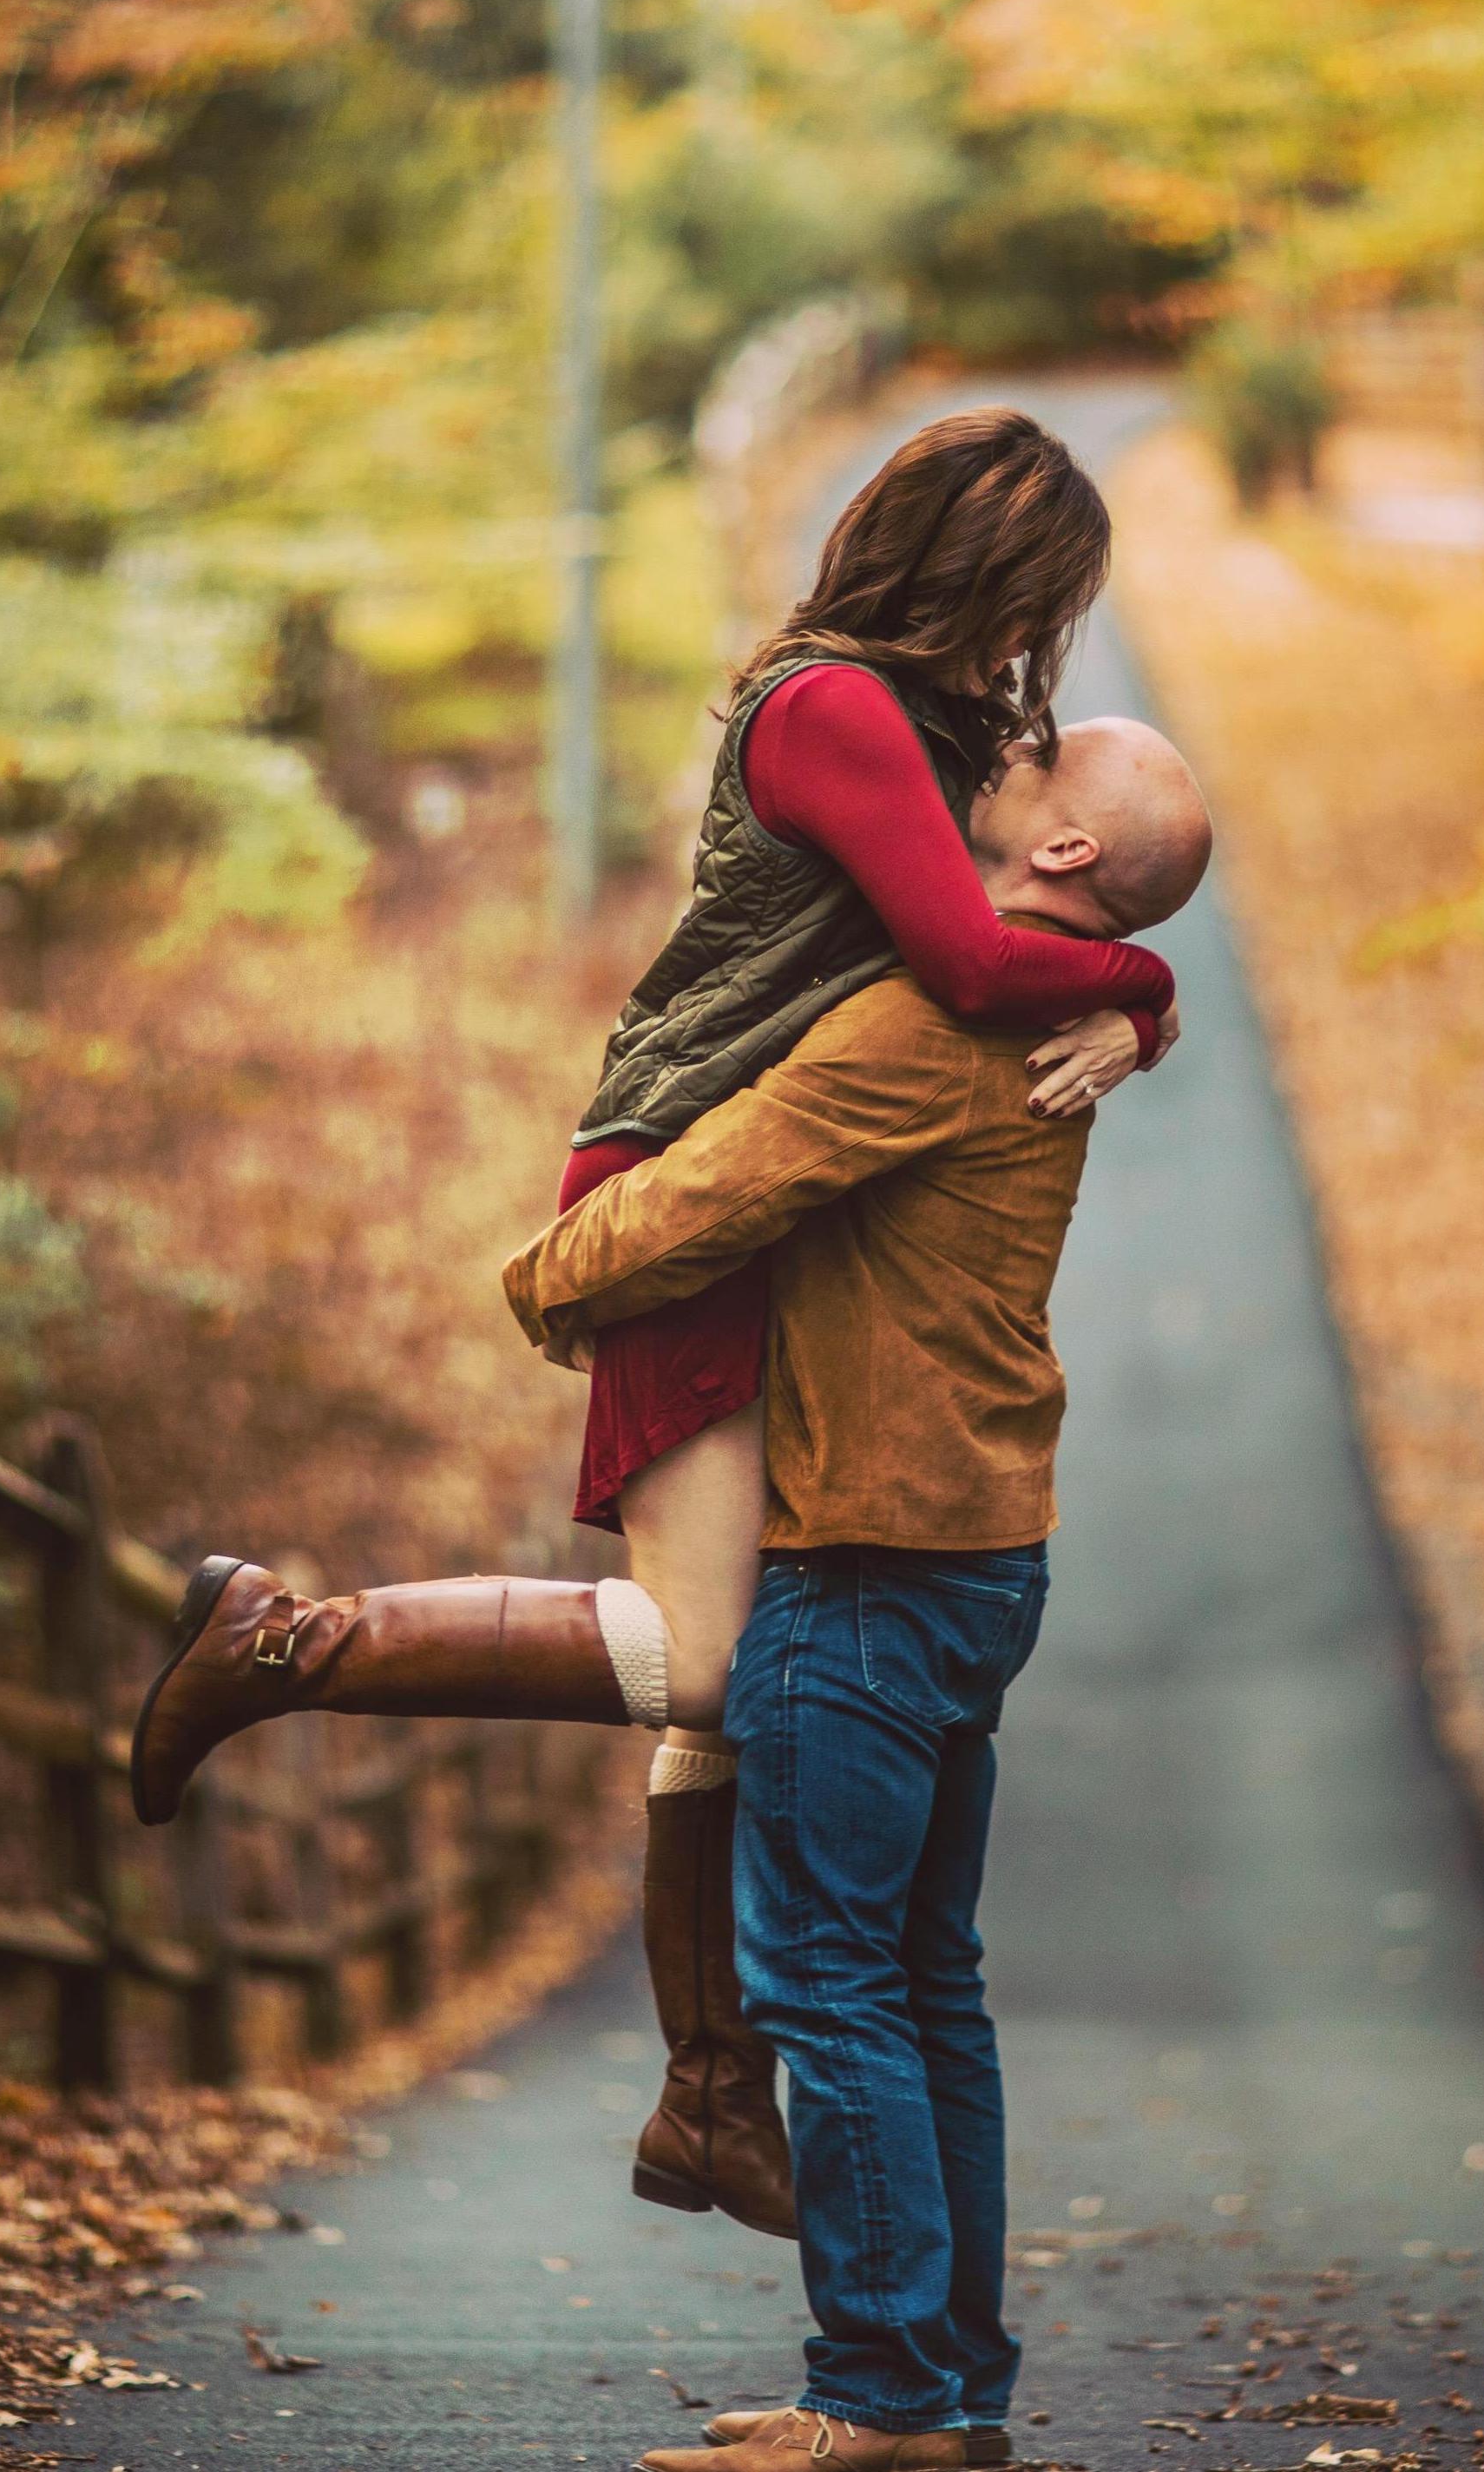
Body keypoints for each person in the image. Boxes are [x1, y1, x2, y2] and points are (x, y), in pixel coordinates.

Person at [130, 407, 1182, 2239]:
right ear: (979, 568)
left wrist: (1131, 993)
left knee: (743, 1644)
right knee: (708, 1661)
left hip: (782, 1176)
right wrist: (1147, 978)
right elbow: (965, 959)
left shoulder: (923, 726)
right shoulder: (835, 707)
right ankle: (290, 1639)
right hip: (692, 1172)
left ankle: (713, 2092)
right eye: (1035, 605)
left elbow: (1023, 919)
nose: (1034, 662)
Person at [509, 719, 1214, 2472]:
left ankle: (883, 2394)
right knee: (918, 1979)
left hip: (868, 1556)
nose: (1006, 748)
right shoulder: (1032, 1013)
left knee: (828, 1981)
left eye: (1046, 752)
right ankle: (944, 2385)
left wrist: (539, 1271)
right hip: (972, 1549)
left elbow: (718, 1187)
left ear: (1061, 851)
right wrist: (1141, 995)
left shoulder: (926, 1025)